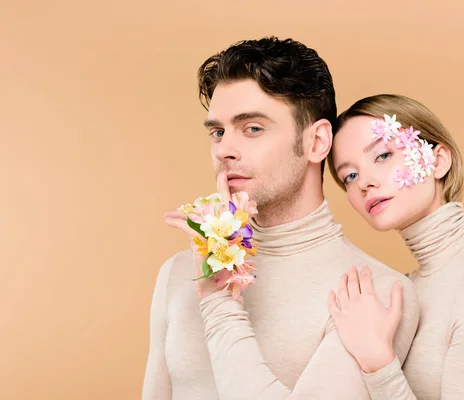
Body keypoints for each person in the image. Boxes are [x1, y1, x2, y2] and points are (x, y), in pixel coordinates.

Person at [141, 38, 420, 399]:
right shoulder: (180, 272)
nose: (224, 149)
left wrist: (219, 301)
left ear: (317, 142)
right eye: (217, 132)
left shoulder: (375, 295)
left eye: (253, 128)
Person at [327, 94, 464, 399]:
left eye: (382, 155)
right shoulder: (404, 286)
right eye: (350, 176)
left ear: (438, 160)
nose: (364, 183)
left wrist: (378, 363)